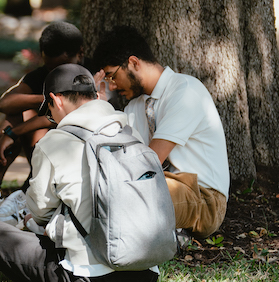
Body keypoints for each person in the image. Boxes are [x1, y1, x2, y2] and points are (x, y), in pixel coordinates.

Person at [0, 64, 159, 282]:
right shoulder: (129, 131)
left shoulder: (54, 142)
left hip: (87, 280)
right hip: (146, 272)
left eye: (49, 110)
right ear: (94, 97)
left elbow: (40, 213)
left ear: (56, 100)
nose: (51, 118)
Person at [92, 25, 229, 238]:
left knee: (122, 195)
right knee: (105, 191)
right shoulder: (136, 105)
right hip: (159, 186)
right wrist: (97, 107)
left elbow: (149, 160)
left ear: (133, 63)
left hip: (203, 198)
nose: (112, 86)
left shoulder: (185, 91)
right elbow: (119, 155)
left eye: (112, 76)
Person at [0, 21, 86, 226]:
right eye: (49, 67)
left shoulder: (88, 76)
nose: (55, 75)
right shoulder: (43, 75)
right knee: (13, 114)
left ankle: (28, 197)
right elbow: (4, 103)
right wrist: (45, 98)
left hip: (75, 154)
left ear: (80, 53)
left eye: (60, 67)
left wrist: (13, 133)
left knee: (38, 131)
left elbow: (64, 117)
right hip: (43, 150)